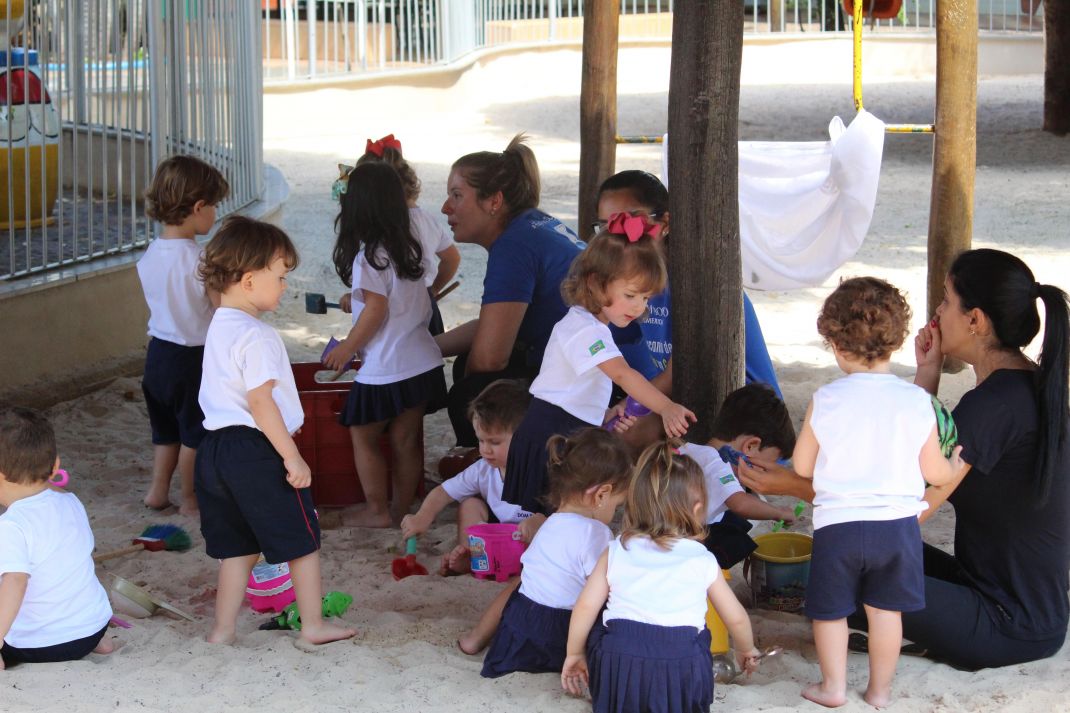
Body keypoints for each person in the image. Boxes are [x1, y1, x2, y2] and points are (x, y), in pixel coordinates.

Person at [739, 252, 1070, 672]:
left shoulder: (993, 409)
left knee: (845, 569)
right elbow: (910, 447)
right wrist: (927, 371)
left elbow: (903, 504)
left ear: (976, 320)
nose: (938, 312)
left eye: (947, 301)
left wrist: (790, 484)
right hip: (1009, 599)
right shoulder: (1019, 389)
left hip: (1007, 623)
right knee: (854, 549)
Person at [793, 276, 963, 707]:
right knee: (887, 614)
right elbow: (934, 472)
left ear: (835, 343)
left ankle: (832, 687)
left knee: (830, 612)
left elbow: (801, 466)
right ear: (896, 341)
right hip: (896, 530)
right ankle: (879, 691)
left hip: (839, 528)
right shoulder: (915, 401)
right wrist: (956, 464)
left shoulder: (826, 398)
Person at [196, 216, 356, 647]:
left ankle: (222, 631)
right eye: (280, 277)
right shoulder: (258, 335)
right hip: (256, 447)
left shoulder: (218, 326)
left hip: (215, 450)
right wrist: (292, 456)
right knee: (302, 539)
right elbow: (261, 403)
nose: (285, 287)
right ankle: (312, 627)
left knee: (239, 548)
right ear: (249, 280)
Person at [502, 214, 696, 516]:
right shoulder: (585, 329)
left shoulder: (592, 325)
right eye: (630, 295)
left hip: (567, 426)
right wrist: (665, 407)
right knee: (553, 517)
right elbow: (622, 374)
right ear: (595, 283)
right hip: (549, 431)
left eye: (645, 298)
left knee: (560, 516)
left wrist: (605, 414)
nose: (639, 307)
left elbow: (575, 392)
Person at [561, 440, 761, 713]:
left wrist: (574, 654)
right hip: (681, 661)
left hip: (622, 659)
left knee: (601, 625)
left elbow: (585, 606)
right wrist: (746, 649)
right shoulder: (702, 558)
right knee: (700, 637)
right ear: (697, 508)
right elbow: (735, 616)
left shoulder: (617, 549)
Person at [595, 170, 782, 450]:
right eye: (608, 228)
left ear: (666, 222)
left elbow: (675, 375)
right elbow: (631, 367)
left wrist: (626, 408)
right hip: (677, 402)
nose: (620, 237)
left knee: (622, 437)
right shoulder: (622, 286)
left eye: (629, 223)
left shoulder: (695, 287)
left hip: (739, 422)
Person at [436, 134, 584, 447]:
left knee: (469, 390)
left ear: (494, 202)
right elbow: (497, 324)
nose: (445, 207)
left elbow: (490, 358)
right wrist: (423, 348)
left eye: (457, 195)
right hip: (601, 364)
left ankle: (490, 469)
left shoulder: (513, 248)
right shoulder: (533, 225)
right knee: (467, 365)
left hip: (596, 379)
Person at [322, 162, 448, 528]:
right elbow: (392, 299)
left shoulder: (369, 256)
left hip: (386, 366)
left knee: (363, 435)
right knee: (406, 441)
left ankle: (377, 511)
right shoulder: (409, 249)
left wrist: (347, 347)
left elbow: (376, 309)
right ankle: (400, 510)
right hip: (422, 360)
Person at [478, 428, 632, 676]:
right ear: (602, 495)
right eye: (617, 505)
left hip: (519, 625)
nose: (614, 513)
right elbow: (606, 588)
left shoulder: (549, 522)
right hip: (557, 632)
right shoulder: (596, 533)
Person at [137, 154, 230, 515]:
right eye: (215, 206)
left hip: (158, 355)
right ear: (198, 207)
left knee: (166, 432)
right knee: (195, 433)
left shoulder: (149, 255)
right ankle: (190, 498)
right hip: (192, 358)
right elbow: (220, 308)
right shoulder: (201, 260)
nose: (216, 213)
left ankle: (158, 492)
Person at [0, 407, 115, 669]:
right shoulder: (71, 502)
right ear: (56, 467)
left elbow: (15, 583)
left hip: (40, 645)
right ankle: (101, 643)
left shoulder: (11, 526)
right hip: (92, 630)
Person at [400, 379, 543, 576]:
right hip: (498, 541)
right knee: (470, 505)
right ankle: (472, 556)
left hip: (537, 544)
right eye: (481, 440)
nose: (485, 449)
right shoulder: (483, 469)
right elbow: (443, 492)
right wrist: (422, 517)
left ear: (526, 436)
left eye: (494, 442)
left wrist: (543, 521)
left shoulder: (543, 468)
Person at [335, 134, 461, 335]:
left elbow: (382, 287)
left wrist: (359, 298)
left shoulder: (387, 230)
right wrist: (432, 290)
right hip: (426, 310)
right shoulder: (426, 219)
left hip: (395, 320)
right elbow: (452, 258)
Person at [680, 383, 799, 569]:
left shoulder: (688, 451)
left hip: (656, 537)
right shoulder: (716, 463)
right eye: (768, 464)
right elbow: (741, 504)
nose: (764, 471)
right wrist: (778, 513)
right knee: (736, 534)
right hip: (678, 552)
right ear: (750, 446)